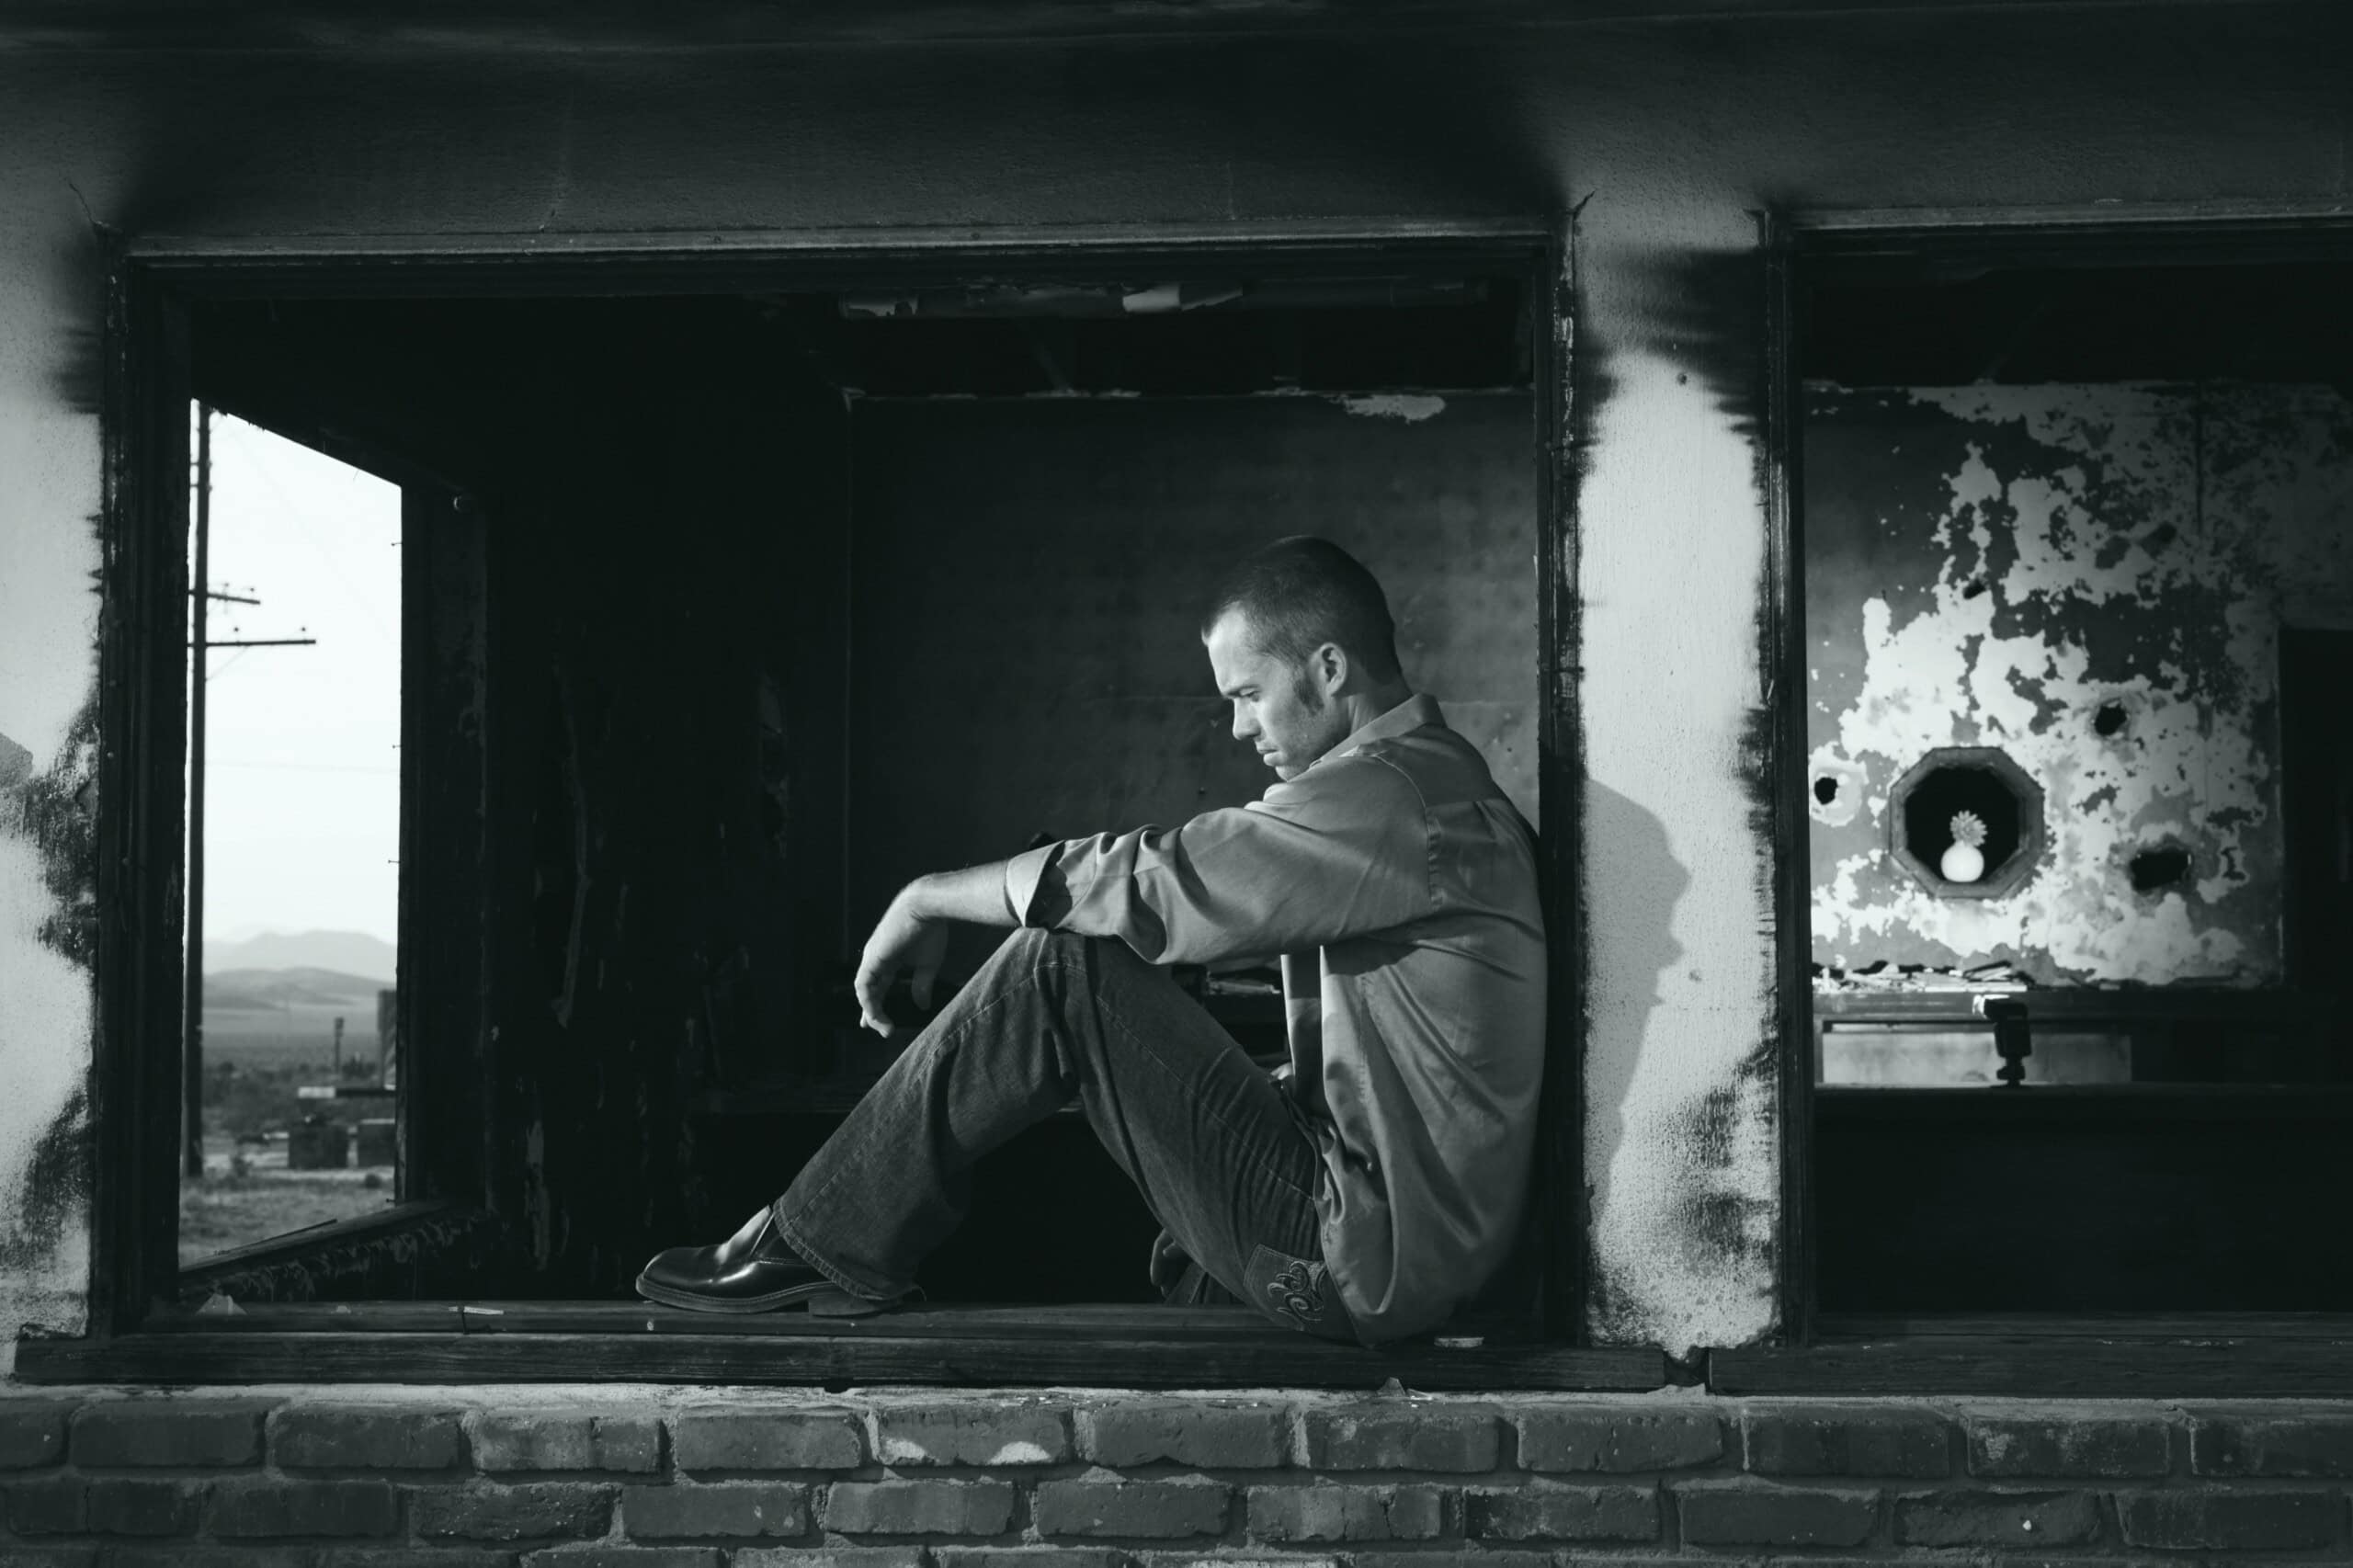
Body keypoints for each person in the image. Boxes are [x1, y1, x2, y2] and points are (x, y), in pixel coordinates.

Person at [636, 536, 1546, 1345]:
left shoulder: (1391, 799)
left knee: (1063, 959)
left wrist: (924, 898)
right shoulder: (1430, 787)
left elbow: (1157, 880)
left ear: (1332, 668)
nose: (1238, 727)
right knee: (1106, 970)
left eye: (1249, 694)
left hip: (1364, 1266)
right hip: (1399, 1252)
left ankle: (813, 1240)